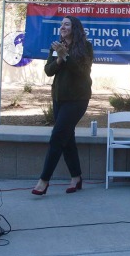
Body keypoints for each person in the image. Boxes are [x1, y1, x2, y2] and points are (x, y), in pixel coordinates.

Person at [32, 15, 93, 196]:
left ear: (74, 28)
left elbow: (83, 72)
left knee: (57, 137)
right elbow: (48, 71)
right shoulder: (57, 46)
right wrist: (59, 58)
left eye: (66, 24)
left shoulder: (85, 47)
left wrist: (65, 56)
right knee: (67, 138)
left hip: (77, 99)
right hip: (59, 98)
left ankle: (43, 181)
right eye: (61, 24)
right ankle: (76, 177)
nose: (62, 27)